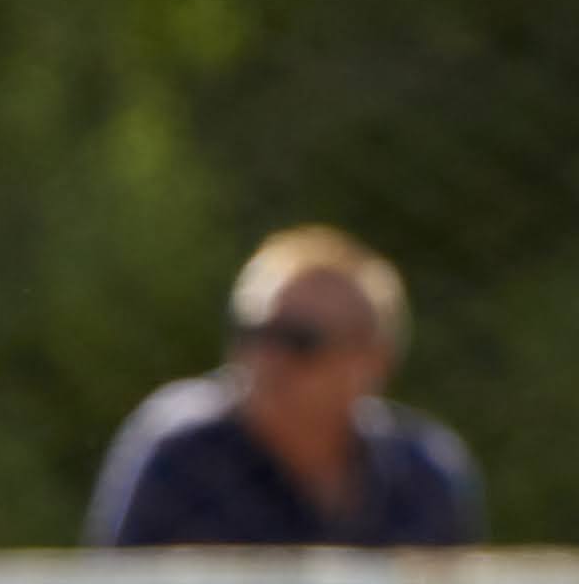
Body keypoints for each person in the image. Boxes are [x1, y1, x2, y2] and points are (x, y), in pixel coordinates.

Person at [85, 226, 483, 550]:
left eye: (299, 340)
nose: (265, 359)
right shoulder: (179, 453)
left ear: (372, 359)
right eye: (252, 333)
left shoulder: (421, 475)